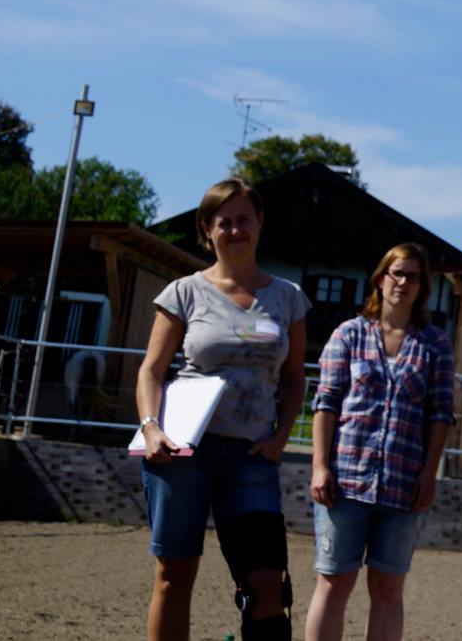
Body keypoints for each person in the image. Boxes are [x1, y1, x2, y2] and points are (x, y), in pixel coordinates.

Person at [136, 177, 309, 641]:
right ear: (207, 230)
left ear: (260, 223)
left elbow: (295, 380)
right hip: (183, 451)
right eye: (224, 222)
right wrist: (151, 429)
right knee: (175, 576)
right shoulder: (183, 292)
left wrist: (280, 437)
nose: (235, 230)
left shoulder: (288, 298)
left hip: (252, 456)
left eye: (244, 220)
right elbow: (151, 371)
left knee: (266, 583)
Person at [304, 242, 456, 641]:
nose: (403, 282)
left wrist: (429, 474)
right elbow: (326, 403)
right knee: (334, 582)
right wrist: (320, 465)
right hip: (346, 480)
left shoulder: (435, 343)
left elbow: (441, 413)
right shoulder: (348, 334)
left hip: (404, 485)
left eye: (413, 276)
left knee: (388, 589)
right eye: (397, 272)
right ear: (380, 278)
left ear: (422, 286)